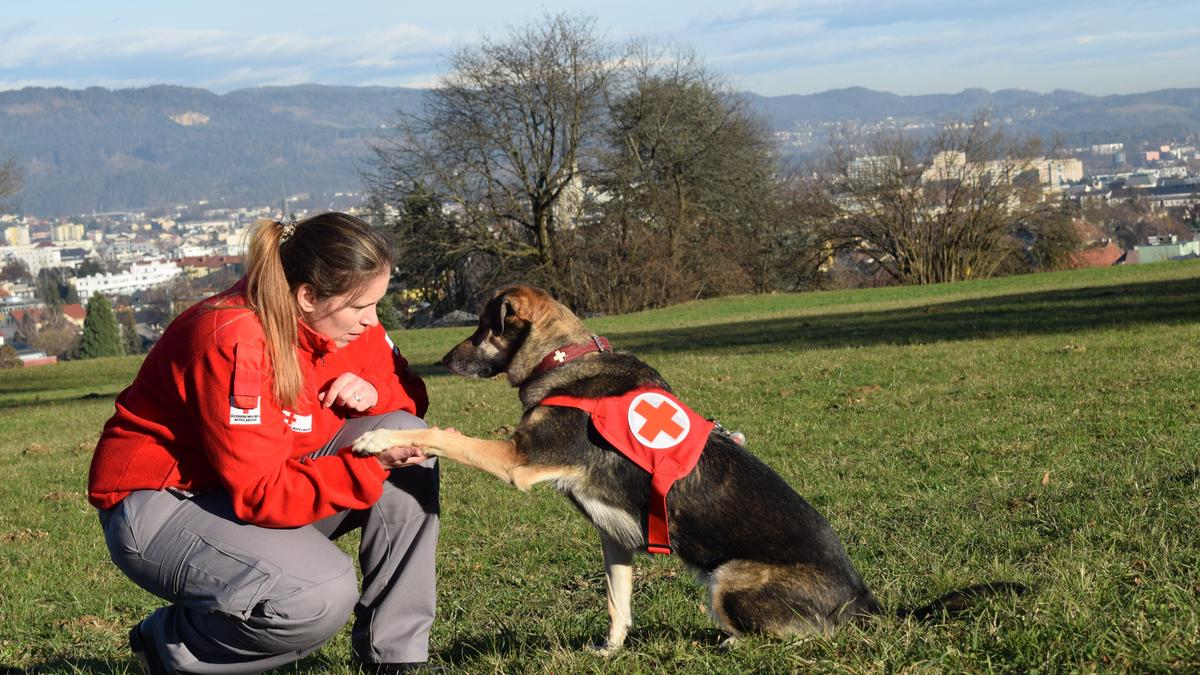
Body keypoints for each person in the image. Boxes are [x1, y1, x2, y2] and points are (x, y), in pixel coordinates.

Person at [88, 212, 438, 674]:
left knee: (402, 433)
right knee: (319, 592)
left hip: (255, 483)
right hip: (166, 503)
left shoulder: (346, 324)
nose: (372, 320)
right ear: (307, 296)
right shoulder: (235, 341)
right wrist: (372, 466)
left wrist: (376, 392)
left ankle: (393, 658)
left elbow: (410, 393)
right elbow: (260, 492)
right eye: (360, 307)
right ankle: (171, 647)